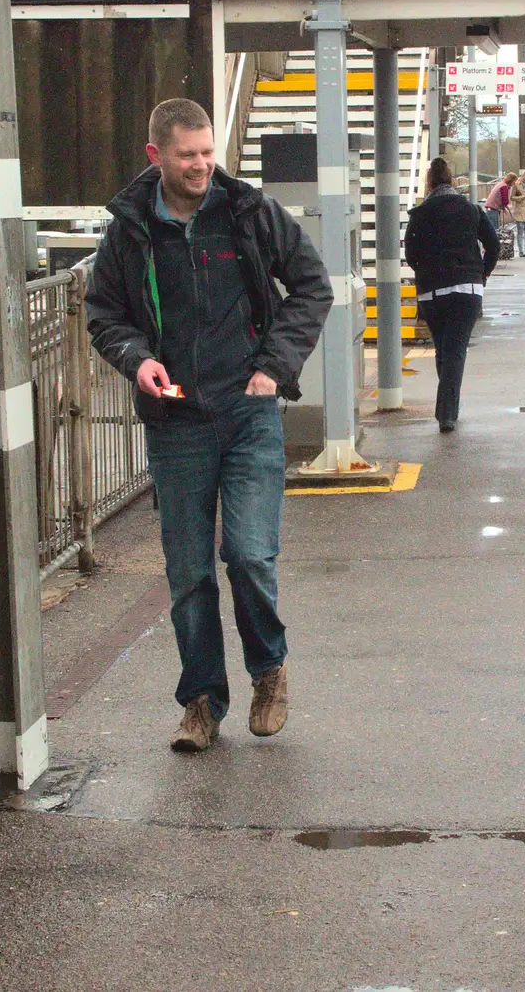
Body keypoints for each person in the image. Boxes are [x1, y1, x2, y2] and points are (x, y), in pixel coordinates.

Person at [86, 98, 333, 754]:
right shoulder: (132, 228)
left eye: (206, 152)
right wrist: (137, 361)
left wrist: (273, 369)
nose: (200, 165)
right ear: (156, 157)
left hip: (248, 412)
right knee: (188, 572)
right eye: (186, 155)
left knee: (248, 554)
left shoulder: (250, 214)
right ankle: (200, 701)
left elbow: (313, 286)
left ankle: (269, 670)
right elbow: (103, 312)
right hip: (177, 420)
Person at [405, 156, 501, 432]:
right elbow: (492, 245)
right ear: (450, 180)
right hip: (466, 288)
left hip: (431, 292)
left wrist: (425, 272)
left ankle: (448, 408)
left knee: (444, 350)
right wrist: (482, 273)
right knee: (455, 350)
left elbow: (411, 254)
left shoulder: (419, 215)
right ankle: (447, 413)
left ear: (430, 183)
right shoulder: (470, 210)